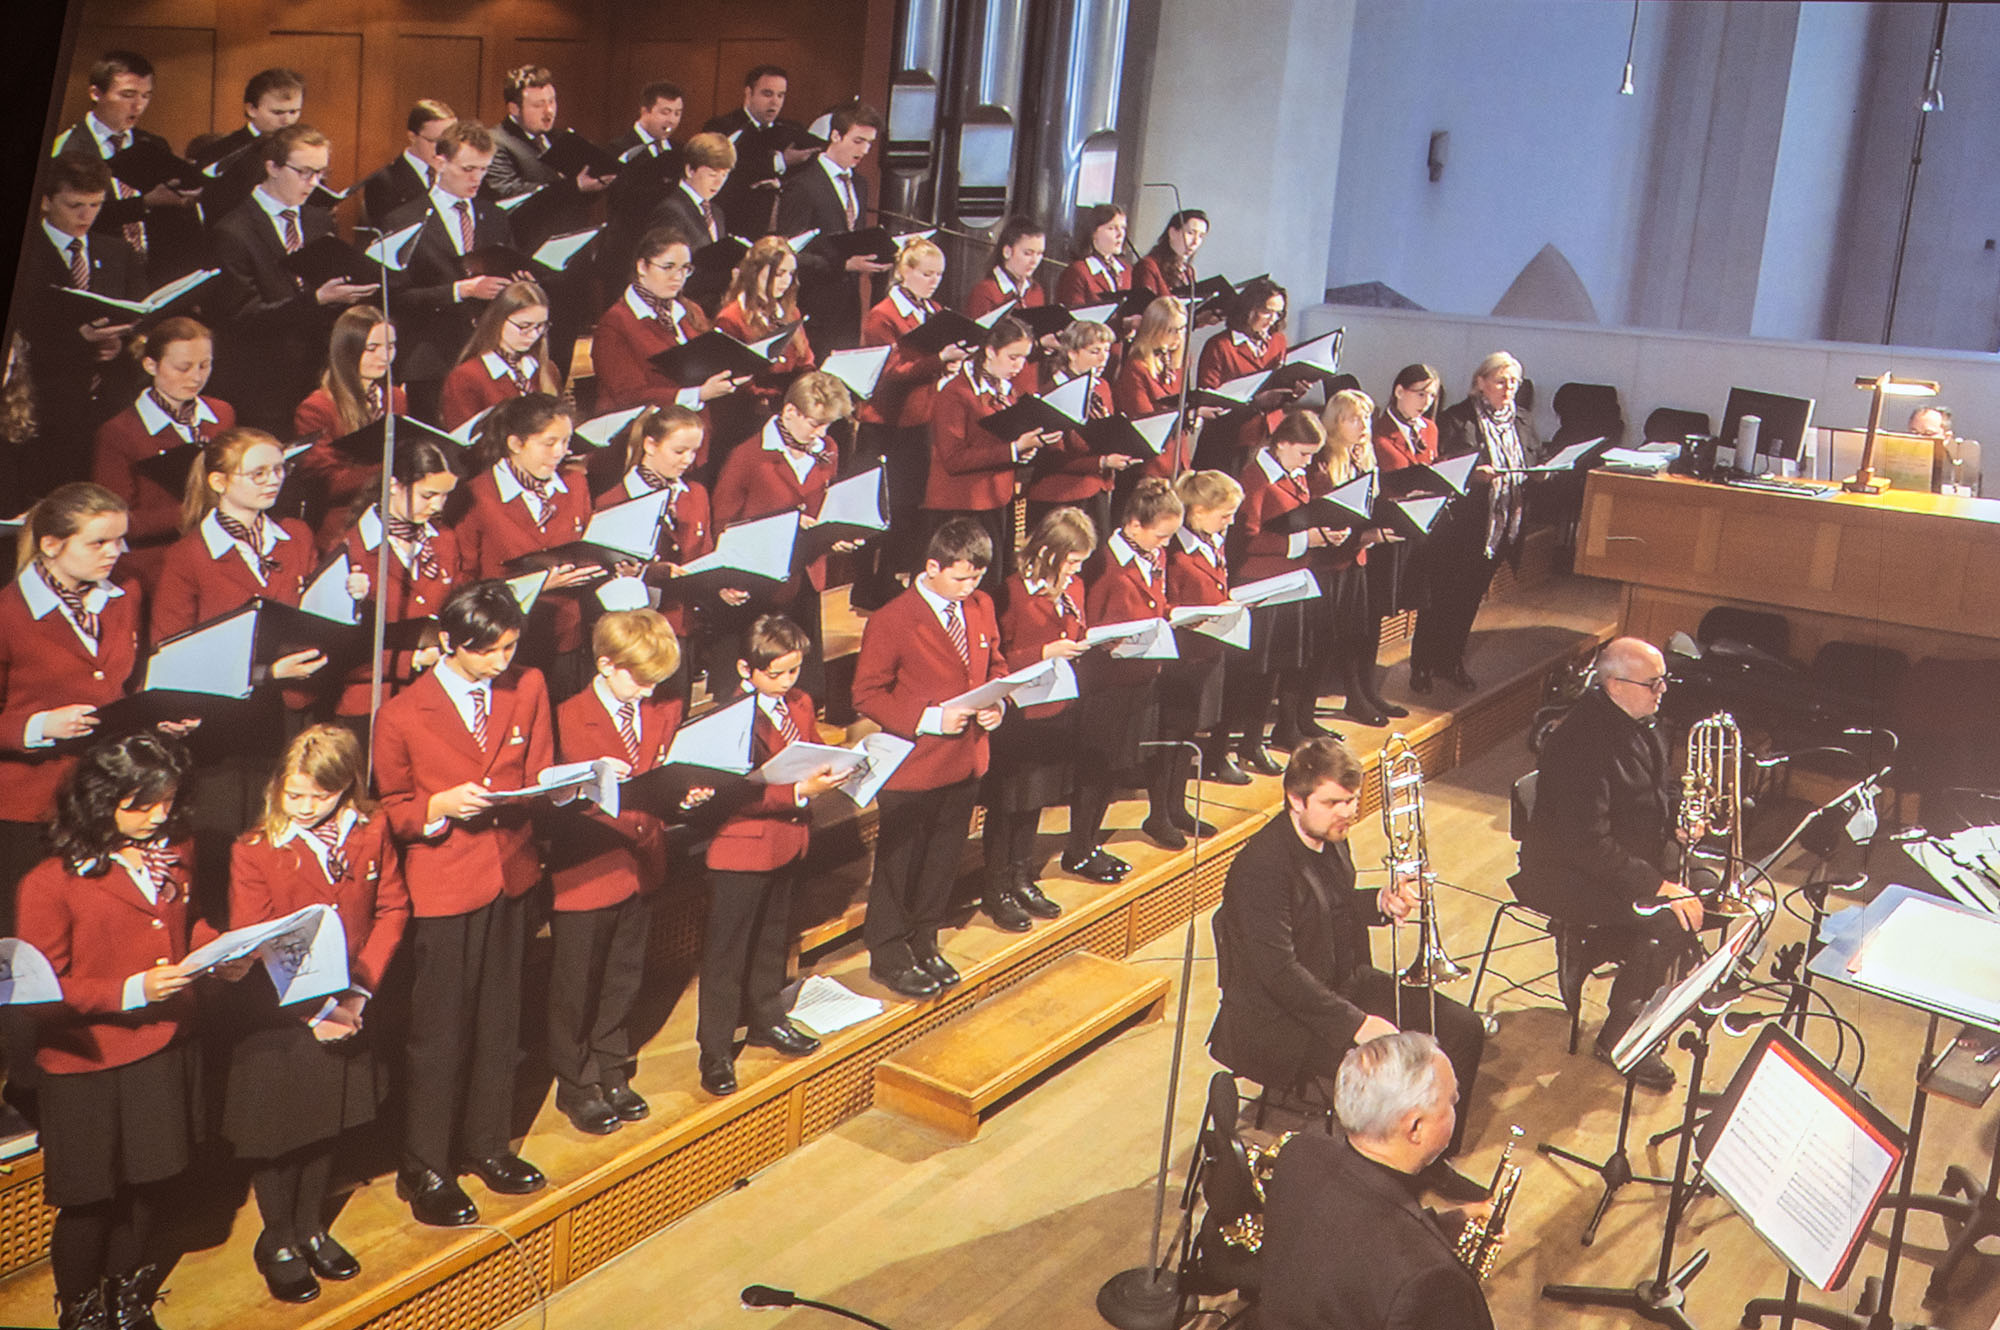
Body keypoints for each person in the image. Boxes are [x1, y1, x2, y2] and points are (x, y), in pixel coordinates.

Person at [17, 732, 246, 1330]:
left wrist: (218, 950)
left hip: (164, 1046)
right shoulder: (48, 882)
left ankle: (128, 1295)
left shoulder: (176, 847)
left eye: (167, 801)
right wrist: (130, 991)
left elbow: (185, 926)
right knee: (90, 1201)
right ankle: (80, 1309)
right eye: (141, 806)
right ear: (100, 801)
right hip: (87, 1064)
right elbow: (40, 994)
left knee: (150, 1184)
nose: (158, 817)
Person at [371, 580, 555, 1227]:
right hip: (444, 884)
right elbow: (391, 810)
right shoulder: (400, 714)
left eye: (510, 647)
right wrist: (438, 807)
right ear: (449, 642)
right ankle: (425, 1166)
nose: (502, 661)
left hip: (511, 872)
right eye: (488, 651)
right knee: (440, 1033)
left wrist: (558, 788)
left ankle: (488, 1144)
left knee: (501, 1022)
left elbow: (539, 772)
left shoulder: (528, 685)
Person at [1208, 735, 1487, 1161]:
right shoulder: (1262, 868)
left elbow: (1330, 907)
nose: (1347, 812)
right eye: (1333, 802)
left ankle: (1433, 1158)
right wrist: (1356, 1023)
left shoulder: (1333, 836)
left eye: (1352, 800)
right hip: (1281, 1018)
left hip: (1342, 985)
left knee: (1464, 1028)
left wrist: (1380, 903)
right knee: (1394, 1073)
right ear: (1295, 800)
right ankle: (1385, 1169)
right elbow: (1278, 972)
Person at [224, 725, 407, 1304]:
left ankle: (310, 1227)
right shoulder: (254, 849)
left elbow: (393, 908)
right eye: (294, 795)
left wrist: (358, 994)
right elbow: (260, 942)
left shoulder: (371, 828)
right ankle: (277, 1238)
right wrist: (320, 1010)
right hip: (281, 1013)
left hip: (349, 1001)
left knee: (329, 1120)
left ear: (346, 788)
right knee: (282, 1132)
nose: (304, 808)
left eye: (319, 797)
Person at [1512, 636, 1707, 1091]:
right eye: (1653, 683)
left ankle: (1642, 985)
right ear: (1615, 685)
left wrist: (1680, 821)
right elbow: (1586, 844)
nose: (1663, 691)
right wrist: (1657, 886)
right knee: (1668, 917)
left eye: (1663, 681)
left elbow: (1658, 790)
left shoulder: (1645, 722)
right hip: (1565, 873)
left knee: (1707, 885)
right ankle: (1620, 1035)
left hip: (1622, 856)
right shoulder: (1580, 743)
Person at [548, 610, 707, 1128]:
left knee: (624, 975)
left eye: (656, 681)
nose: (648, 691)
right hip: (589, 868)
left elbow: (665, 777)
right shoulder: (566, 716)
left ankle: (612, 1066)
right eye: (639, 680)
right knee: (576, 986)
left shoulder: (662, 708)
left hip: (643, 862)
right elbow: (551, 798)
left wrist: (686, 796)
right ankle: (576, 1082)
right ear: (605, 664)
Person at [853, 518, 1008, 999]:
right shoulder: (893, 619)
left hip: (966, 758)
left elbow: (995, 665)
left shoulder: (981, 605)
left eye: (976, 578)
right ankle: (888, 953)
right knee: (900, 865)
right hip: (914, 765)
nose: (969, 587)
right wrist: (928, 718)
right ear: (933, 567)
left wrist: (998, 706)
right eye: (960, 578)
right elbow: (866, 694)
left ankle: (924, 940)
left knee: (943, 859)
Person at [1257, 1032, 1496, 1330]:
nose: (1455, 1109)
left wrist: (1440, 1226)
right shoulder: (1430, 1279)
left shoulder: (1299, 1152)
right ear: (1415, 1127)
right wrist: (1432, 1251)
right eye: (1452, 1102)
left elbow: (1348, 1246)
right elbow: (1386, 1256)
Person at [698, 615, 840, 1096]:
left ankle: (766, 1019)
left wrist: (836, 766)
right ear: (746, 669)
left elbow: (812, 747)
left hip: (787, 840)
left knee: (771, 940)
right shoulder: (728, 717)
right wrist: (798, 790)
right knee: (727, 953)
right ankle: (715, 1049)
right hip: (741, 848)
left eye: (794, 671)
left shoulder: (799, 702)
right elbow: (730, 794)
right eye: (775, 674)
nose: (786, 683)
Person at [0, 485, 141, 924]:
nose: (113, 553)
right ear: (51, 545)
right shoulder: (8, 614)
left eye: (119, 540)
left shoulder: (123, 597)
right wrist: (39, 726)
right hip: (29, 808)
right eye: (98, 542)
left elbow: (125, 683)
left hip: (105, 797)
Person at [210, 124, 379, 434]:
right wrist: (316, 300)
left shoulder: (318, 220)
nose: (313, 183)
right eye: (304, 172)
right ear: (272, 167)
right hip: (264, 383)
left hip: (316, 376)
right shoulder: (233, 230)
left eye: (320, 173)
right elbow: (241, 318)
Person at [710, 371, 859, 704]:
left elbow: (824, 506)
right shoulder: (747, 455)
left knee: (802, 688)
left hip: (804, 575)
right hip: (760, 581)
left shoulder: (827, 449)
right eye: (815, 424)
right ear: (790, 411)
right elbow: (722, 523)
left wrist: (835, 535)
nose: (822, 433)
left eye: (828, 425)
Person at [984, 507, 1095, 931]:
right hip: (1019, 714)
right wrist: (1043, 653)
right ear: (1048, 552)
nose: (1076, 570)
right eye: (1072, 560)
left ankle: (1021, 876)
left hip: (1055, 706)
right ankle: (996, 888)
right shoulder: (1010, 592)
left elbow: (1074, 632)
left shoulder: (1072, 587)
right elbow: (996, 658)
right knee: (1008, 804)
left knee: (1035, 801)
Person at [453, 393, 602, 698]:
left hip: (567, 636)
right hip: (503, 645)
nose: (560, 452)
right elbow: (463, 581)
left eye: (565, 441)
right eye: (549, 443)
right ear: (515, 443)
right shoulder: (475, 496)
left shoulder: (575, 484)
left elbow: (588, 546)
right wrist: (535, 585)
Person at [1410, 352, 1542, 694]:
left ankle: (1450, 661)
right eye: (1500, 381)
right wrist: (1472, 476)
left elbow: (1535, 457)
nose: (1508, 388)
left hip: (1501, 527)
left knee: (1468, 600)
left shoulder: (1523, 420)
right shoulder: (1457, 419)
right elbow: (1441, 470)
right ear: (1480, 383)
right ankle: (1421, 665)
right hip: (1461, 528)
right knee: (1440, 599)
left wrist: (1542, 473)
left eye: (1514, 382)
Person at [849, 237, 968, 609]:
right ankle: (868, 586)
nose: (934, 282)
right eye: (926, 274)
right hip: (886, 423)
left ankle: (892, 580)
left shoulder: (933, 311)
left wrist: (949, 361)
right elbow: (890, 372)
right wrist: (939, 360)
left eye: (939, 275)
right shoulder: (883, 315)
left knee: (909, 507)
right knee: (881, 507)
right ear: (905, 272)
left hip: (919, 419)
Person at [1074, 477, 1187, 862]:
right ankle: (1080, 846)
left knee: (1114, 766)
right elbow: (1091, 622)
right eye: (1161, 536)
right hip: (1107, 682)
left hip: (1142, 675)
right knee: (1097, 767)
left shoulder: (1152, 557)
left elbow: (1157, 603)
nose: (1165, 545)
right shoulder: (1103, 564)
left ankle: (1091, 843)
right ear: (1134, 525)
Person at [20, 157, 143, 495]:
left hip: (107, 406)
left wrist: (118, 344)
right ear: (46, 201)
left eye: (95, 205)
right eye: (75, 205)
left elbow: (137, 313)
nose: (86, 216)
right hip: (45, 406)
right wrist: (79, 340)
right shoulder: (28, 253)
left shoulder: (118, 252)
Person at [1226, 410, 1341, 771]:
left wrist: (1327, 532)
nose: (1307, 462)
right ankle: (1232, 745)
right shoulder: (1255, 478)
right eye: (1303, 453)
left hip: (1289, 584)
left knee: (1277, 667)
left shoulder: (1294, 474)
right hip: (1261, 586)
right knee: (1253, 671)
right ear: (1283, 443)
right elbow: (1246, 541)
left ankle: (1255, 740)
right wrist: (1305, 540)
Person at [380, 120, 517, 422]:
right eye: (467, 169)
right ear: (440, 162)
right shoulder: (404, 219)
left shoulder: (495, 216)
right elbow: (394, 296)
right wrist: (459, 290)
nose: (477, 178)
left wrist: (518, 283)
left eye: (483, 169)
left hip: (486, 352)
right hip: (430, 356)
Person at [90, 317, 235, 589]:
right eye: (183, 367)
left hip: (218, 548)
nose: (196, 377)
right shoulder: (119, 432)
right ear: (151, 365)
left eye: (205, 365)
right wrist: (193, 510)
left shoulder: (222, 413)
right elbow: (115, 521)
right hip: (155, 562)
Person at [329, 435, 463, 728]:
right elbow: (340, 653)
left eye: (445, 496)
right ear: (393, 485)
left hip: (435, 696)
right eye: (428, 496)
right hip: (372, 704)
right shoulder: (351, 550)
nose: (438, 506)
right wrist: (413, 660)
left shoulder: (444, 540)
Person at [589, 226, 746, 462]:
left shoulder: (689, 310)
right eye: (668, 267)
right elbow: (627, 395)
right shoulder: (615, 323)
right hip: (642, 443)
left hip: (694, 438)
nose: (678, 277)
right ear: (642, 267)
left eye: (685, 268)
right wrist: (698, 393)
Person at [923, 315, 1056, 587]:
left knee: (997, 581)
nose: (1019, 366)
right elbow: (953, 459)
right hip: (963, 505)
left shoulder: (1005, 389)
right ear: (990, 351)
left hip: (996, 500)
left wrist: (1025, 450)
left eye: (1024, 358)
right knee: (974, 584)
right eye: (1013, 357)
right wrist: (1013, 450)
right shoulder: (955, 394)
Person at [52, 50, 201, 284]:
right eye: (127, 95)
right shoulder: (69, 147)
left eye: (146, 96)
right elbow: (70, 216)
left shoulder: (152, 144)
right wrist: (144, 203)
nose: (138, 106)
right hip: (101, 269)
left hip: (155, 269)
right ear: (96, 93)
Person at [1316, 389, 1400, 727]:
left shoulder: (1364, 457)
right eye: (1353, 419)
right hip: (1328, 563)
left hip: (1357, 558)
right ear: (1335, 423)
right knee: (1333, 636)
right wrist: (1365, 536)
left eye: (1366, 418)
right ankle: (1351, 696)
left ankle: (1363, 692)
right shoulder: (1323, 461)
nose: (1364, 425)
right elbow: (1327, 517)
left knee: (1358, 631)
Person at [291, 306, 408, 547]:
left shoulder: (395, 397)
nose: (384, 357)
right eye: (372, 349)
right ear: (347, 350)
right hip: (344, 523)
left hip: (394, 515)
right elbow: (327, 484)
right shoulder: (317, 408)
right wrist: (391, 467)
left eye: (390, 346)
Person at [779, 101, 890, 354]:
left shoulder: (859, 184)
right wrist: (844, 265)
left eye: (869, 143)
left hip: (848, 309)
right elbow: (789, 253)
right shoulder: (803, 185)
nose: (864, 150)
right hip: (812, 308)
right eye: (858, 141)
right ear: (835, 136)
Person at [1165, 468, 1245, 788]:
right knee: (1178, 732)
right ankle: (1166, 805)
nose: (1231, 522)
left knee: (1196, 727)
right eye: (1225, 515)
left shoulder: (1212, 540)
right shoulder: (1176, 555)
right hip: (1185, 656)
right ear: (1198, 511)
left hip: (1211, 646)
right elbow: (1168, 604)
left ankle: (1178, 800)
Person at [1024, 319, 1131, 540]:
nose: (1103, 359)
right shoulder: (1051, 394)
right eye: (1095, 351)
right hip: (1061, 496)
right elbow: (1054, 459)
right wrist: (1102, 462)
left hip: (1097, 490)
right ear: (1072, 353)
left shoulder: (1102, 387)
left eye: (1106, 351)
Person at [1370, 363, 1442, 660]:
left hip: (1418, 524)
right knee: (1377, 606)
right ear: (1399, 391)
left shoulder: (1430, 428)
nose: (1427, 402)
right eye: (1420, 393)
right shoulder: (1378, 431)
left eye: (1432, 396)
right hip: (1387, 527)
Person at [1193, 276, 1302, 469]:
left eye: (1278, 313)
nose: (1273, 319)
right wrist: (1253, 403)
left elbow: (1280, 387)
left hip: (1269, 436)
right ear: (1248, 309)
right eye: (1267, 312)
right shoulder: (1219, 345)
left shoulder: (1278, 341)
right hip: (1227, 441)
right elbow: (1209, 400)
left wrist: (1293, 392)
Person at [712, 235, 816, 431]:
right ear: (755, 272)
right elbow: (741, 384)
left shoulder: (790, 312)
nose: (786, 281)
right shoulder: (731, 318)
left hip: (790, 407)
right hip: (751, 416)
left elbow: (805, 361)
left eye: (791, 274)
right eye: (779, 274)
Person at [704, 64, 815, 239]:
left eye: (780, 95)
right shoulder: (723, 127)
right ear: (749, 93)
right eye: (767, 94)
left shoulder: (791, 130)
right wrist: (781, 162)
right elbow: (733, 166)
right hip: (736, 225)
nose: (775, 102)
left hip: (781, 230)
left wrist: (781, 183)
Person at [437, 279, 561, 430]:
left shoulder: (547, 370)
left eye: (540, 326)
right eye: (524, 326)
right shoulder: (466, 377)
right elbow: (462, 437)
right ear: (498, 320)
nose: (534, 335)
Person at [196, 67, 307, 230]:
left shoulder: (304, 149)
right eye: (277, 112)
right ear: (251, 109)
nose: (287, 120)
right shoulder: (219, 151)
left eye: (294, 112)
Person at [602, 81, 687, 289]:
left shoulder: (680, 151)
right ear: (645, 111)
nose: (672, 120)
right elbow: (621, 199)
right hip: (626, 252)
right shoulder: (619, 149)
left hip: (665, 251)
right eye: (665, 112)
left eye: (677, 113)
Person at [643, 132, 736, 312]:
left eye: (724, 175)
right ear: (690, 170)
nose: (719, 182)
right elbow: (665, 272)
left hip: (711, 307)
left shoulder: (717, 212)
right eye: (712, 174)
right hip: (681, 308)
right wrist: (727, 276)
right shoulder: (670, 210)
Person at [1114, 295, 1200, 483]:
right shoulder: (1136, 367)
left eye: (1182, 329)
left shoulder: (1180, 362)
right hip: (1150, 466)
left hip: (1178, 459)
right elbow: (1145, 420)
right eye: (1172, 330)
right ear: (1154, 329)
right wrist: (1188, 416)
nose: (1179, 337)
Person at [359, 100, 455, 230]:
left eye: (449, 142)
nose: (443, 150)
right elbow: (391, 231)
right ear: (412, 136)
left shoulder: (458, 174)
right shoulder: (383, 182)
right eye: (435, 141)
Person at [966, 216, 1049, 318]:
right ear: (1007, 252)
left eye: (1039, 254)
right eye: (1027, 253)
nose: (1035, 261)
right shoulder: (985, 292)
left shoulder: (1036, 291)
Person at [1055, 203, 1131, 309]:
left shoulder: (1126, 271)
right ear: (1093, 233)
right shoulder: (1078, 272)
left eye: (1123, 228)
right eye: (1112, 228)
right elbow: (1074, 315)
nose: (1120, 234)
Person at [1131, 209, 1206, 304]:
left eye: (1201, 236)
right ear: (1172, 233)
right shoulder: (1148, 266)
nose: (1196, 242)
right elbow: (1146, 307)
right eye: (1190, 233)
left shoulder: (1188, 271)